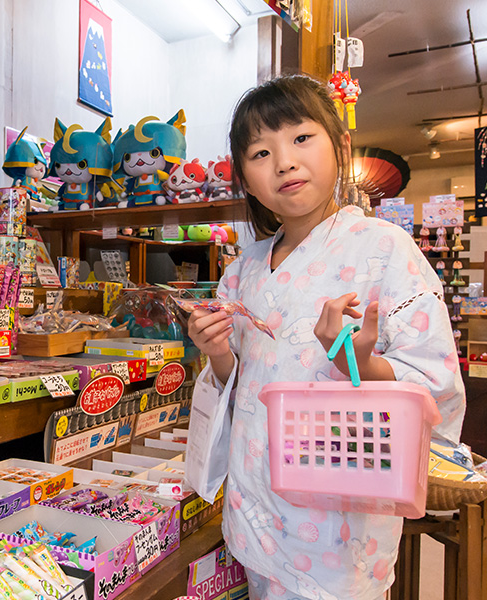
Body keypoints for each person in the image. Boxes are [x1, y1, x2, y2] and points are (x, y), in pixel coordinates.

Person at [187, 74, 465, 600]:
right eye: (261, 153)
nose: (285, 162)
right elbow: (239, 385)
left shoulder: (385, 250)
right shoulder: (241, 273)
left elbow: (435, 385)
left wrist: (360, 363)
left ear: (340, 146)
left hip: (338, 527)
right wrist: (219, 352)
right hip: (256, 509)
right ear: (244, 178)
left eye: (300, 138)